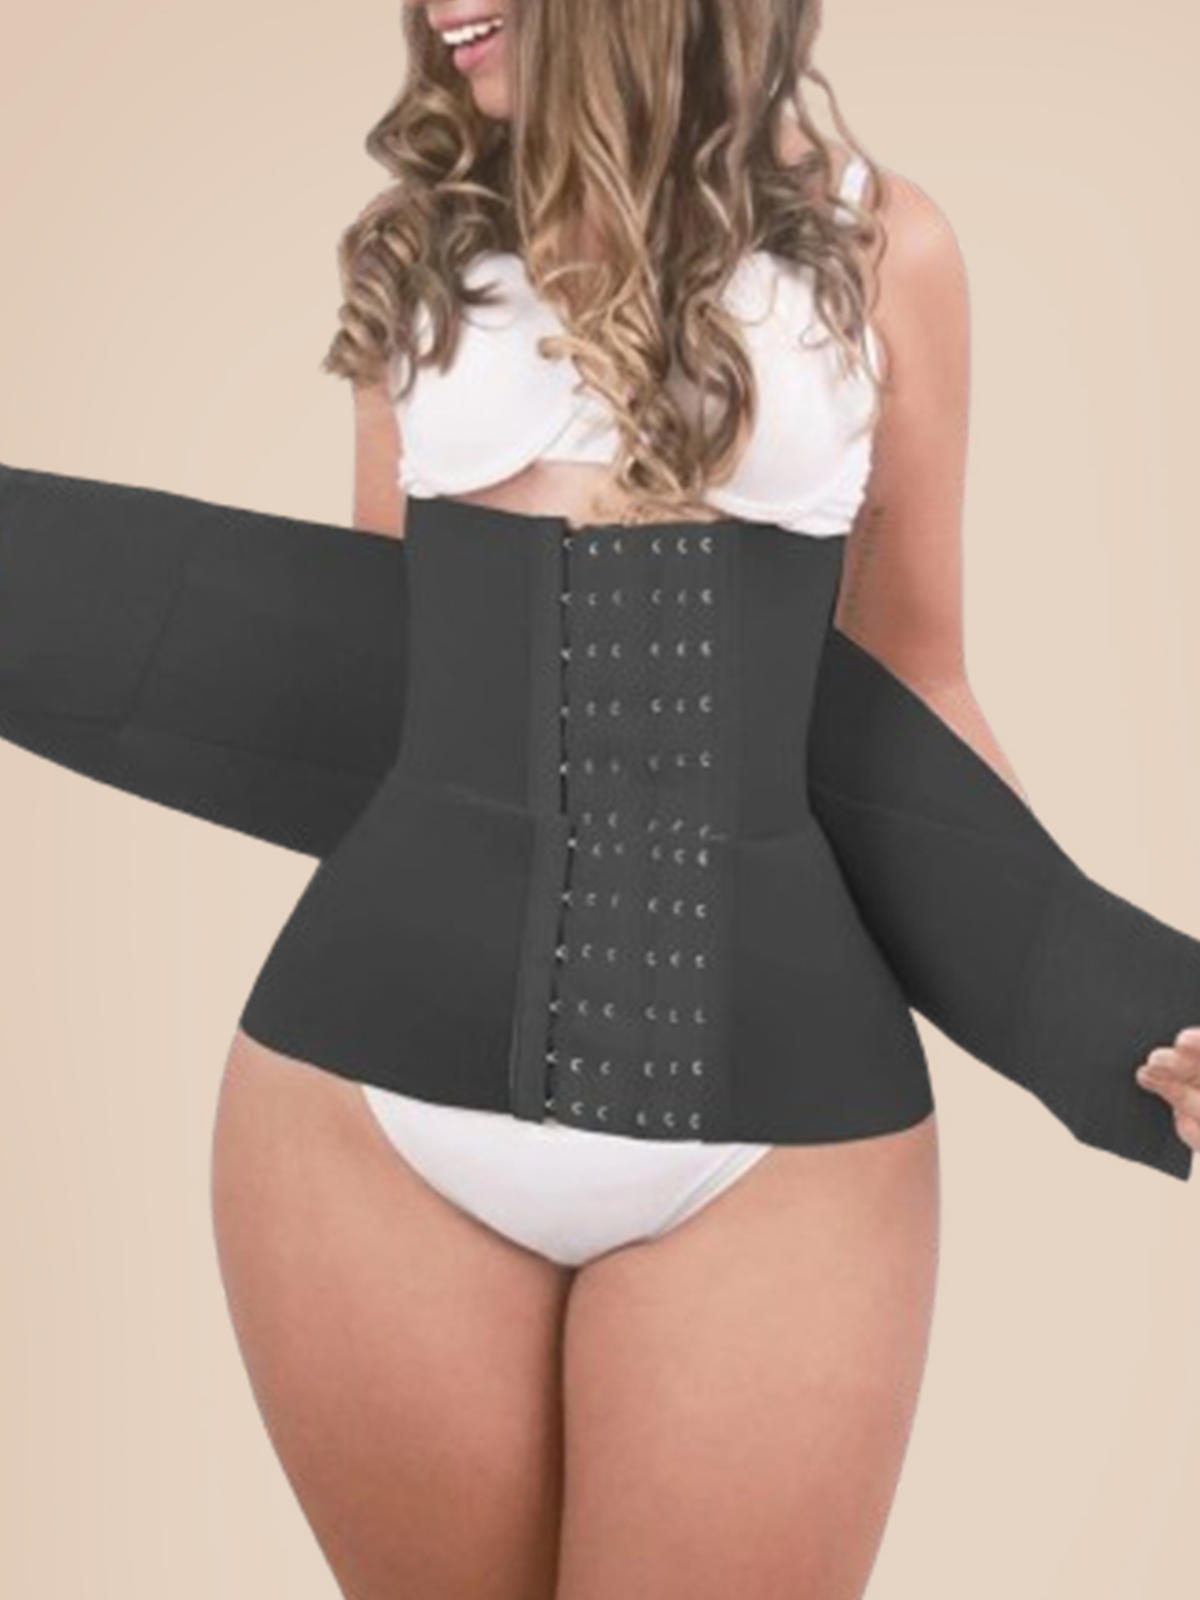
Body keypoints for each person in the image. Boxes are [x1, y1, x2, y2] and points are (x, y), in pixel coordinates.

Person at [2, 3, 1199, 1597]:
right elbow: (375, 680)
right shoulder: (421, 243)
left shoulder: (882, 244)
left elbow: (915, 679)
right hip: (365, 1097)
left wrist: (1095, 1001)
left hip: (779, 1122)